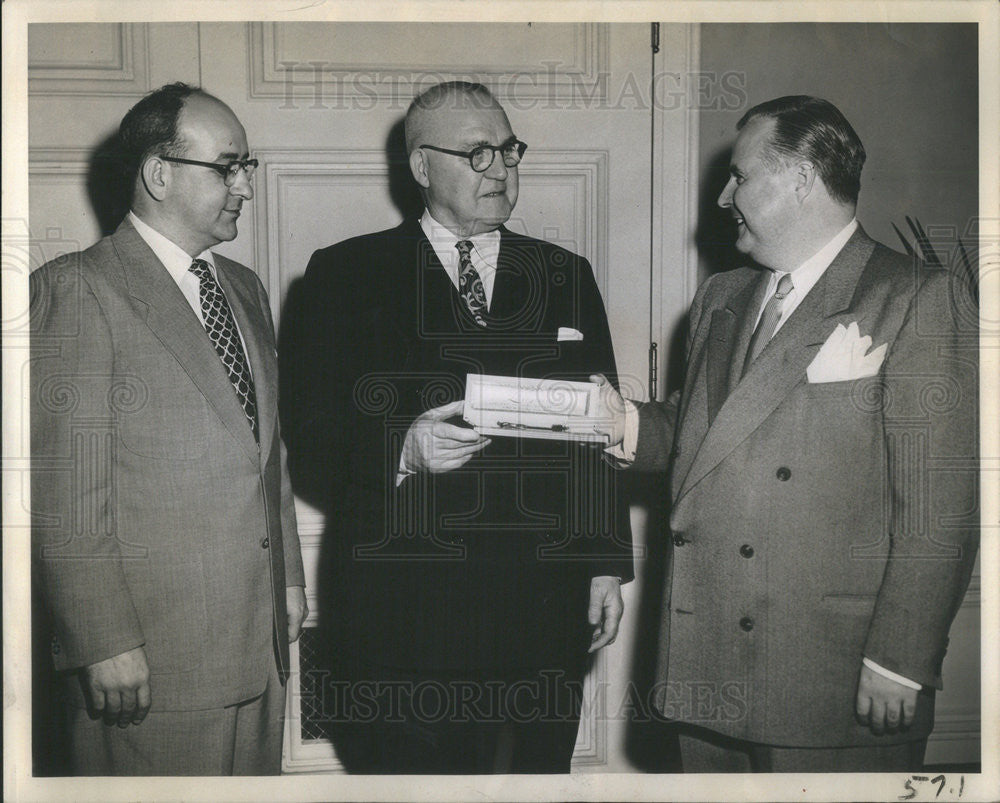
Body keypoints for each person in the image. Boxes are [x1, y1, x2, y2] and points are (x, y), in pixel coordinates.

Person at [596, 95, 978, 772]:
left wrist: (900, 658)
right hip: (706, 654)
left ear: (801, 178)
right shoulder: (721, 296)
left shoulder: (914, 296)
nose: (723, 196)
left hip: (827, 673)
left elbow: (938, 507)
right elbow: (703, 430)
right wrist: (622, 421)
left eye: (740, 176)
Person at [279, 80, 633, 773]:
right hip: (403, 618)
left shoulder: (564, 274)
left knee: (539, 781)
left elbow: (601, 427)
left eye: (508, 150)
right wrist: (402, 448)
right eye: (476, 154)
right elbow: (311, 433)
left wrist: (602, 563)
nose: (500, 169)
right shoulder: (344, 274)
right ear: (421, 168)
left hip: (541, 609)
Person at [30, 82, 307, 776]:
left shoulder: (244, 288)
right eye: (229, 165)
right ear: (160, 172)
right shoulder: (79, 288)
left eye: (249, 165)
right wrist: (100, 640)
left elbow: (265, 454)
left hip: (258, 644)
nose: (246, 184)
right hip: (148, 663)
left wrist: (291, 583)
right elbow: (68, 489)